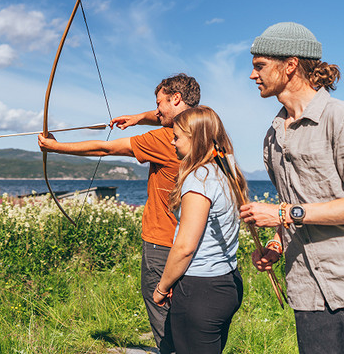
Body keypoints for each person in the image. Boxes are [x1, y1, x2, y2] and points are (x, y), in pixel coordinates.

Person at [38, 73, 200, 354]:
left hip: (161, 242)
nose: (157, 110)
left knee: (162, 313)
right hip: (194, 242)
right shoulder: (208, 129)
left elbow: (106, 147)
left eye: (159, 103)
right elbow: (166, 115)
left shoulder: (166, 139)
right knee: (187, 314)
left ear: (176, 99)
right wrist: (139, 117)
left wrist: (56, 147)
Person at [239, 22, 344, 353]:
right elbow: (292, 205)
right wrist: (275, 244)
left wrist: (283, 213)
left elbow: (288, 209)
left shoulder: (337, 119)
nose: (252, 75)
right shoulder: (272, 137)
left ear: (290, 65)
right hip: (307, 290)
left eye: (259, 66)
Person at [152, 106, 245, 354]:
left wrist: (162, 288)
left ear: (196, 138)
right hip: (227, 282)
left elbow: (185, 247)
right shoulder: (226, 169)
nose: (172, 143)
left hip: (200, 290)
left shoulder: (199, 178)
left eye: (177, 137)